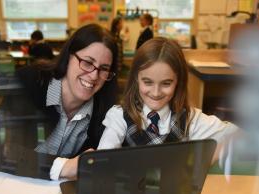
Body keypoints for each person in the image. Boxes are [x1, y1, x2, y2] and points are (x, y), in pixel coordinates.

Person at [0, 24, 118, 180]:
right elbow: (3, 152)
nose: (94, 76)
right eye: (88, 63)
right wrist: (64, 168)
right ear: (69, 56)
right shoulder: (31, 84)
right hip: (2, 183)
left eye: (104, 69)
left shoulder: (103, 110)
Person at [98, 37, 238, 162]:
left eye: (166, 83)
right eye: (148, 82)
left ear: (178, 81)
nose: (156, 92)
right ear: (136, 78)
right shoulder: (119, 116)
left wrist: (219, 151)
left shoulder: (191, 119)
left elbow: (242, 137)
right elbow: (102, 159)